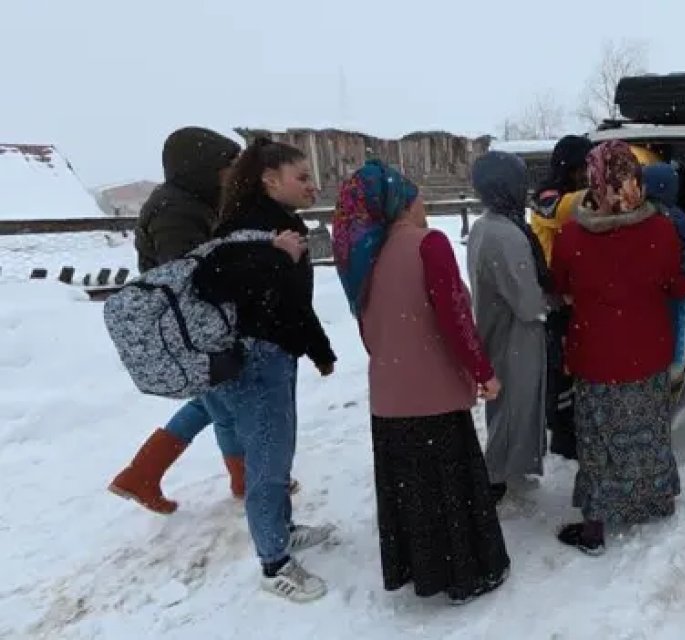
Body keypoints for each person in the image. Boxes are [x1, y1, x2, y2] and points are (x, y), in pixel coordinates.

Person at [333, 159, 510, 604]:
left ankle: (420, 570)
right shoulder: (428, 244)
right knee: (452, 492)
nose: (424, 204)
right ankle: (466, 575)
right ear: (402, 203)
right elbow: (455, 317)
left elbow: (368, 330)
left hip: (389, 398)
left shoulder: (363, 258)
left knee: (412, 493)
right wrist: (483, 372)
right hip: (432, 395)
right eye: (417, 196)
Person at [109, 127, 301, 514]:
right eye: (229, 166)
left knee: (216, 401)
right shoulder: (175, 212)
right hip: (190, 331)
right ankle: (151, 473)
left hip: (204, 326)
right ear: (202, 168)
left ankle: (147, 474)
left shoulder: (195, 202)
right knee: (219, 402)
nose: (234, 174)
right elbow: (185, 273)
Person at [191, 138, 337, 602]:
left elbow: (290, 300)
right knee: (268, 459)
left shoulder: (277, 224)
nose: (311, 185)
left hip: (277, 354)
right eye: (301, 176)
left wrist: (317, 349)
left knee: (279, 449)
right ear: (269, 180)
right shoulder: (244, 229)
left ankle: (283, 529)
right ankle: (274, 563)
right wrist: (274, 255)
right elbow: (208, 281)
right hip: (255, 360)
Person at [550, 140, 685, 555]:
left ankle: (594, 528)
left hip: (595, 358)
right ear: (635, 177)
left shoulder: (572, 235)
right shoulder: (661, 229)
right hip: (647, 354)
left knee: (599, 442)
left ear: (593, 180)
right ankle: (656, 500)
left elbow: (560, 286)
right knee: (647, 433)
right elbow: (675, 283)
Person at [466, 151, 550, 502]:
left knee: (505, 406)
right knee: (515, 405)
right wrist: (554, 301)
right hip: (515, 333)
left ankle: (506, 469)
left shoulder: (486, 225)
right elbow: (528, 302)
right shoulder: (505, 234)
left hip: (496, 328)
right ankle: (495, 476)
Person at [530, 135, 594, 460]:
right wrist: (605, 187)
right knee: (562, 369)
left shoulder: (573, 195)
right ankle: (563, 434)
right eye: (585, 166)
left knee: (577, 365)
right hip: (554, 296)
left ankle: (572, 427)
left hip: (575, 295)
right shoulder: (548, 195)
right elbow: (562, 210)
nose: (588, 173)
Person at [642, 162, 685, 383]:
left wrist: (684, 274)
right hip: (670, 282)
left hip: (661, 283)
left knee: (668, 321)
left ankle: (668, 364)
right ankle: (673, 364)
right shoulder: (676, 216)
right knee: (676, 321)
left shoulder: (644, 214)